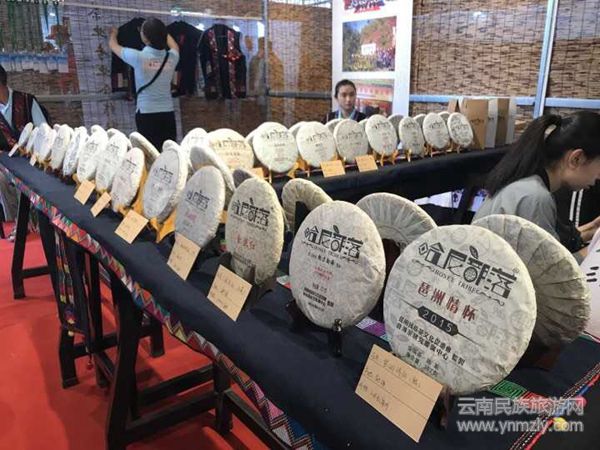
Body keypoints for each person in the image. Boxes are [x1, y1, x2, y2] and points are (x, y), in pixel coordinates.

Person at [473, 112, 600, 257]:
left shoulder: (526, 182)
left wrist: (592, 230)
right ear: (576, 159)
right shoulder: (535, 197)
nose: (599, 177)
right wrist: (593, 251)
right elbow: (552, 269)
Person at [109, 18, 179, 150]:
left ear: (145, 38)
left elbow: (113, 46)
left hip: (146, 114)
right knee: (169, 152)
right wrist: (163, 32)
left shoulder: (138, 57)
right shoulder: (172, 58)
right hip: (167, 113)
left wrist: (113, 33)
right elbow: (175, 46)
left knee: (150, 153)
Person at [0, 64, 49, 240]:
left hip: (33, 158)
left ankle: (40, 222)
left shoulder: (27, 101)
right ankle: (18, 224)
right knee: (1, 179)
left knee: (27, 175)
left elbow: (45, 133)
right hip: (6, 163)